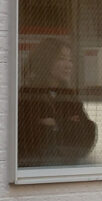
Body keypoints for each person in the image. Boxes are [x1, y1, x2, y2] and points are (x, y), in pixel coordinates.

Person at [17, 37, 97, 167]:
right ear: (46, 60)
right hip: (36, 168)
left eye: (70, 60)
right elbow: (32, 137)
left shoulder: (69, 95)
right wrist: (69, 125)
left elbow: (88, 131)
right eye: (61, 59)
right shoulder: (29, 93)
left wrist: (56, 124)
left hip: (67, 167)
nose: (68, 65)